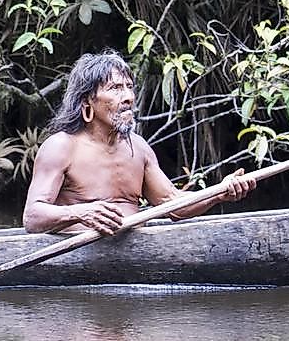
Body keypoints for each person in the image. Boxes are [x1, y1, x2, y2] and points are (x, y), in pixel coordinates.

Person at [22, 51, 254, 236]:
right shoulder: (61, 146)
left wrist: (218, 193)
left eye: (129, 87)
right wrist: (80, 213)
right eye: (115, 89)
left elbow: (172, 204)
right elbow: (33, 216)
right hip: (76, 250)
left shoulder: (138, 147)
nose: (129, 98)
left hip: (132, 251)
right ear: (87, 102)